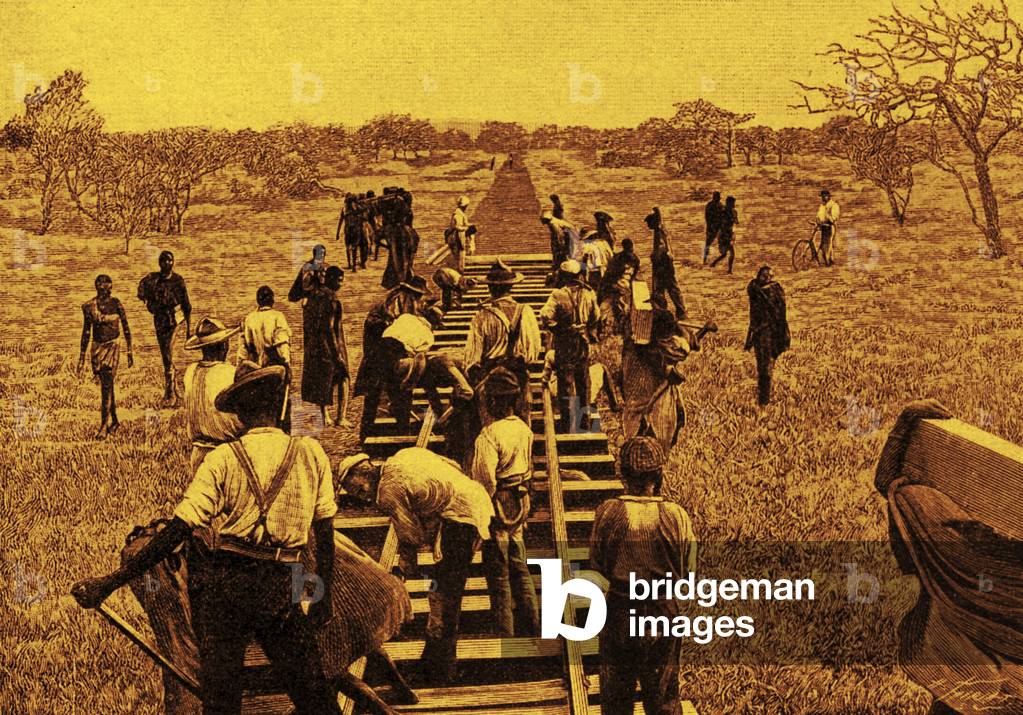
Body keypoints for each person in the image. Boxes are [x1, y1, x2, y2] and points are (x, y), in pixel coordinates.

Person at [72, 361, 340, 714]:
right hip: (284, 581)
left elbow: (177, 532)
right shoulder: (310, 453)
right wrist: (322, 597)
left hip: (227, 585)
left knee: (220, 701)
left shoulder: (222, 459)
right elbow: (324, 534)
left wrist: (109, 583)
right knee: (315, 697)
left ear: (239, 415)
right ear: (278, 407)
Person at [338, 448, 495, 687]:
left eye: (359, 489)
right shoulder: (402, 456)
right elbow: (451, 463)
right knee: (446, 593)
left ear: (364, 473)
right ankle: (435, 662)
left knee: (443, 597)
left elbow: (411, 535)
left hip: (461, 518)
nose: (363, 497)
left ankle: (441, 671)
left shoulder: (387, 492)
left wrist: (403, 570)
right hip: (476, 501)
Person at [590, 436, 697, 715]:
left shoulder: (608, 513)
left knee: (616, 699)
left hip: (620, 609)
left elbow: (598, 565)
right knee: (663, 698)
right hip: (663, 610)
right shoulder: (676, 515)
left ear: (622, 474)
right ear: (659, 475)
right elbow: (689, 571)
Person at [450, 260, 542, 468]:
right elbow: (533, 351)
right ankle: (522, 472)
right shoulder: (525, 311)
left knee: (489, 432)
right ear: (511, 287)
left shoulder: (481, 316)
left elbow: (472, 358)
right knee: (521, 427)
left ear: (490, 288)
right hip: (518, 378)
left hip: (490, 380)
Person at [470, 368, 540, 637]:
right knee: (520, 568)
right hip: (519, 502)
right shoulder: (524, 429)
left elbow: (484, 483)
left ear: (496, 401)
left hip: (498, 506)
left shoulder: (488, 436)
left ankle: (505, 633)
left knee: (498, 575)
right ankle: (532, 626)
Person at [621, 301, 703, 453]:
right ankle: (646, 450)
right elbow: (681, 351)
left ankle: (649, 447)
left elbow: (682, 347)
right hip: (644, 392)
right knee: (649, 422)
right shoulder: (651, 350)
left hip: (646, 390)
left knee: (675, 416)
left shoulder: (642, 341)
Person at [355, 278, 429, 440]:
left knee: (398, 397)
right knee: (376, 397)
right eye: (417, 297)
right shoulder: (390, 308)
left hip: (390, 357)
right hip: (379, 358)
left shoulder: (402, 305)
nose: (418, 301)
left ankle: (401, 433)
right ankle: (368, 436)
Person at [539, 259, 601, 433]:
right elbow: (596, 316)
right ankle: (585, 423)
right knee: (583, 380)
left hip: (564, 341)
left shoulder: (558, 295)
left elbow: (545, 315)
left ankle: (568, 425)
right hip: (582, 341)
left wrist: (556, 327)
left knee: (565, 381)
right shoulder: (589, 293)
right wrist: (586, 327)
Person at [182, 317, 243, 471]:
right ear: (223, 346)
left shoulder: (190, 372)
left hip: (198, 454)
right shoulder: (230, 373)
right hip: (227, 451)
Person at [79, 274, 133, 439]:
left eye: (107, 287)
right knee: (106, 385)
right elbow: (86, 331)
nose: (103, 290)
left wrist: (129, 351)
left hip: (113, 347)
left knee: (107, 385)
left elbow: (126, 327)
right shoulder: (89, 306)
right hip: (97, 348)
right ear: (96, 287)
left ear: (111, 288)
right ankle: (115, 420)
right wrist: (81, 356)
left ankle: (104, 426)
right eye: (100, 286)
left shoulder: (116, 304)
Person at [137, 250, 191, 403]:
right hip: (160, 320)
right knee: (165, 354)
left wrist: (188, 328)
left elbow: (187, 306)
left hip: (175, 320)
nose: (167, 263)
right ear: (159, 263)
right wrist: (148, 303)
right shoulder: (153, 279)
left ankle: (170, 392)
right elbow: (141, 291)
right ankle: (173, 389)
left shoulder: (178, 280)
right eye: (164, 261)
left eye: (170, 260)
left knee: (168, 352)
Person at [302, 266, 351, 427]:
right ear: (330, 279)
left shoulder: (313, 296)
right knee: (343, 378)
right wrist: (337, 354)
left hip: (315, 346)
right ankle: (341, 417)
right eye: (339, 280)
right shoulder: (332, 299)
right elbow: (329, 328)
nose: (341, 284)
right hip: (331, 345)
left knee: (322, 381)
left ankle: (325, 416)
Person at [239, 286, 293, 432]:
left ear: (258, 301)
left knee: (260, 403)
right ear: (272, 300)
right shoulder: (277, 317)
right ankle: (281, 432)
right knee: (280, 402)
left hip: (255, 370)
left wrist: (241, 367)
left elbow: (243, 349)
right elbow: (282, 343)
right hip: (274, 368)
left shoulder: (249, 319)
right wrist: (287, 363)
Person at [744, 265, 790, 407]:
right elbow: (753, 315)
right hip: (760, 332)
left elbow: (779, 316)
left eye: (769, 276)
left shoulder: (774, 291)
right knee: (763, 367)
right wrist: (750, 336)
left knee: (766, 366)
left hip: (771, 332)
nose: (767, 279)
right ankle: (763, 399)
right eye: (764, 276)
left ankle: (764, 400)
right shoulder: (755, 290)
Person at [646, 208, 687, 320]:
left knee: (671, 287)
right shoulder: (658, 231)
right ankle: (662, 310)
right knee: (661, 288)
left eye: (649, 223)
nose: (648, 226)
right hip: (661, 263)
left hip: (664, 264)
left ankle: (681, 311)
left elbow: (664, 245)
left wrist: (659, 255)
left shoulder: (660, 230)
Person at [598, 239, 641, 334]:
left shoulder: (635, 259)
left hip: (624, 288)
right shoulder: (617, 259)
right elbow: (609, 276)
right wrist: (613, 286)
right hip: (613, 287)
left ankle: (619, 329)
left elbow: (633, 274)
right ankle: (604, 329)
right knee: (606, 308)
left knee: (623, 310)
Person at [380, 188, 420, 290]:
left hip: (398, 231)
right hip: (408, 231)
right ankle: (406, 277)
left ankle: (396, 280)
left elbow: (392, 219)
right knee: (408, 258)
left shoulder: (399, 204)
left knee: (395, 257)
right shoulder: (409, 209)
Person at [337, 195, 370, 271]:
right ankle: (358, 264)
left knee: (351, 248)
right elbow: (364, 212)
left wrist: (338, 233)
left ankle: (352, 265)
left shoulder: (345, 209)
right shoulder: (356, 207)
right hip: (356, 230)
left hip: (348, 230)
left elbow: (341, 220)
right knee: (361, 246)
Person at [710, 196, 738, 274]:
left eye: (733, 203)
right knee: (726, 253)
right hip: (723, 234)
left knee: (729, 253)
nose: (733, 205)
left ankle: (727, 269)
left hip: (730, 233)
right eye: (731, 203)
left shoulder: (734, 212)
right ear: (727, 203)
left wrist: (734, 219)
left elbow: (736, 221)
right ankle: (715, 264)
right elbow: (718, 223)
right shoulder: (722, 212)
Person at [447, 195, 472, 272]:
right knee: (460, 255)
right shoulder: (458, 214)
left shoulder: (461, 213)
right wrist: (466, 228)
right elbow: (457, 226)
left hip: (460, 236)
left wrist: (469, 226)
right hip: (457, 237)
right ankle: (460, 270)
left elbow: (465, 223)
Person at [816, 189, 840, 267]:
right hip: (823, 227)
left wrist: (828, 217)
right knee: (823, 244)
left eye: (824, 196)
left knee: (829, 244)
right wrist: (818, 220)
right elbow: (819, 215)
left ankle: (828, 262)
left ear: (828, 196)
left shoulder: (834, 205)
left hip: (830, 226)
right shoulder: (822, 206)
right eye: (822, 197)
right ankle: (830, 260)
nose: (823, 198)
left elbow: (834, 218)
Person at [703, 191, 722, 264]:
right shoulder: (710, 205)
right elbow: (707, 217)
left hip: (717, 227)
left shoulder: (719, 205)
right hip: (712, 227)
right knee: (708, 244)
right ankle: (705, 259)